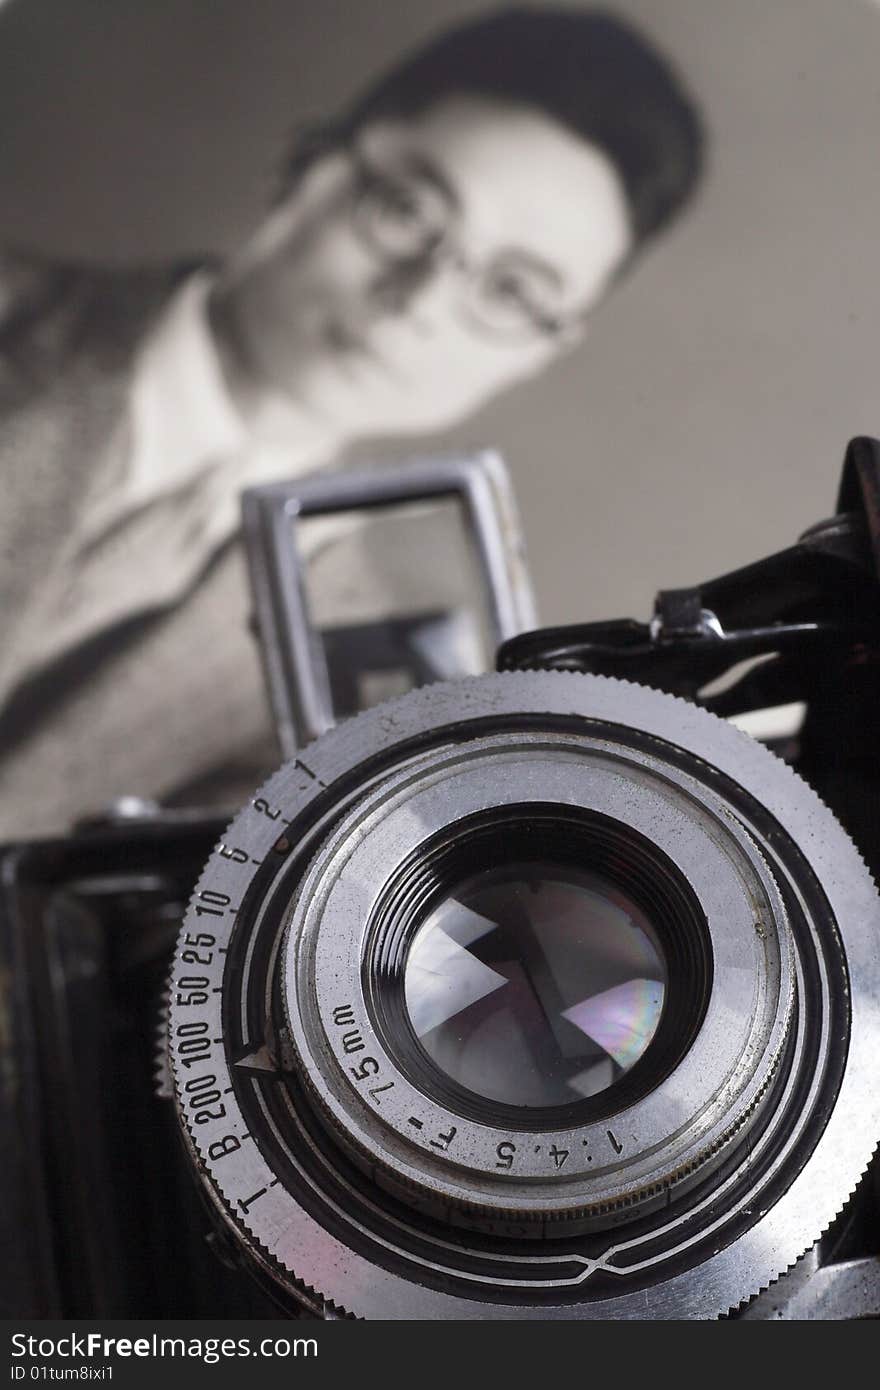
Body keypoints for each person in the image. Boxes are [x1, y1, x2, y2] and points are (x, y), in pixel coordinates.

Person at [0, 5, 703, 838]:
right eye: (408, 212)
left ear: (542, 351)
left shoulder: (351, 678)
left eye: (513, 292)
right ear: (303, 168)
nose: (417, 304)